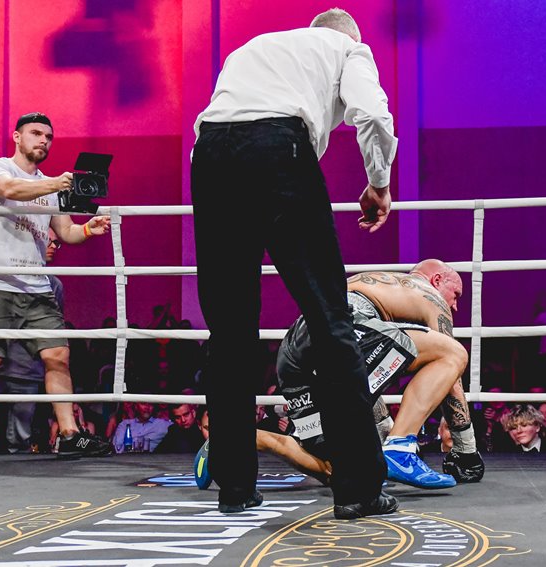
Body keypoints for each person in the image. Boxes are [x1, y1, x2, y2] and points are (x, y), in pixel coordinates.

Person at [190, 8, 396, 518]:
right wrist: (379, 182)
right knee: (330, 320)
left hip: (210, 154)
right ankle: (359, 489)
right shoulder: (347, 47)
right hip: (277, 149)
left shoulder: (254, 47)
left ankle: (234, 486)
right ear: (347, 36)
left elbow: (221, 117)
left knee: (229, 330)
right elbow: (372, 114)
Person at [0, 111, 113, 462]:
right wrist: (57, 184)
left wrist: (89, 229)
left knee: (58, 356)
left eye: (48, 136)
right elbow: (8, 190)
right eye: (36, 133)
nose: (43, 140)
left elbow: (66, 232)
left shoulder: (51, 186)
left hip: (37, 285)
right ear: (17, 136)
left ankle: (69, 434)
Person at [272, 260, 484, 487]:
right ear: (437, 280)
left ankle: (251, 439)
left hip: (294, 347)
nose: (455, 306)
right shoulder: (430, 296)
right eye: (456, 294)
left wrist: (385, 432)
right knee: (453, 354)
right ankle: (400, 449)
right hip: (349, 327)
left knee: (335, 464)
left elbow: (366, 374)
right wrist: (466, 448)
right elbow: (452, 380)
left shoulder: (379, 287)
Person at [0, 228, 64, 453]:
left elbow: (53, 328)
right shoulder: (4, 274)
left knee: (19, 436)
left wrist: (25, 326)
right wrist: (6, 322)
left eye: (56, 243)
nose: (53, 246)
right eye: (48, 240)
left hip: (27, 368)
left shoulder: (54, 284)